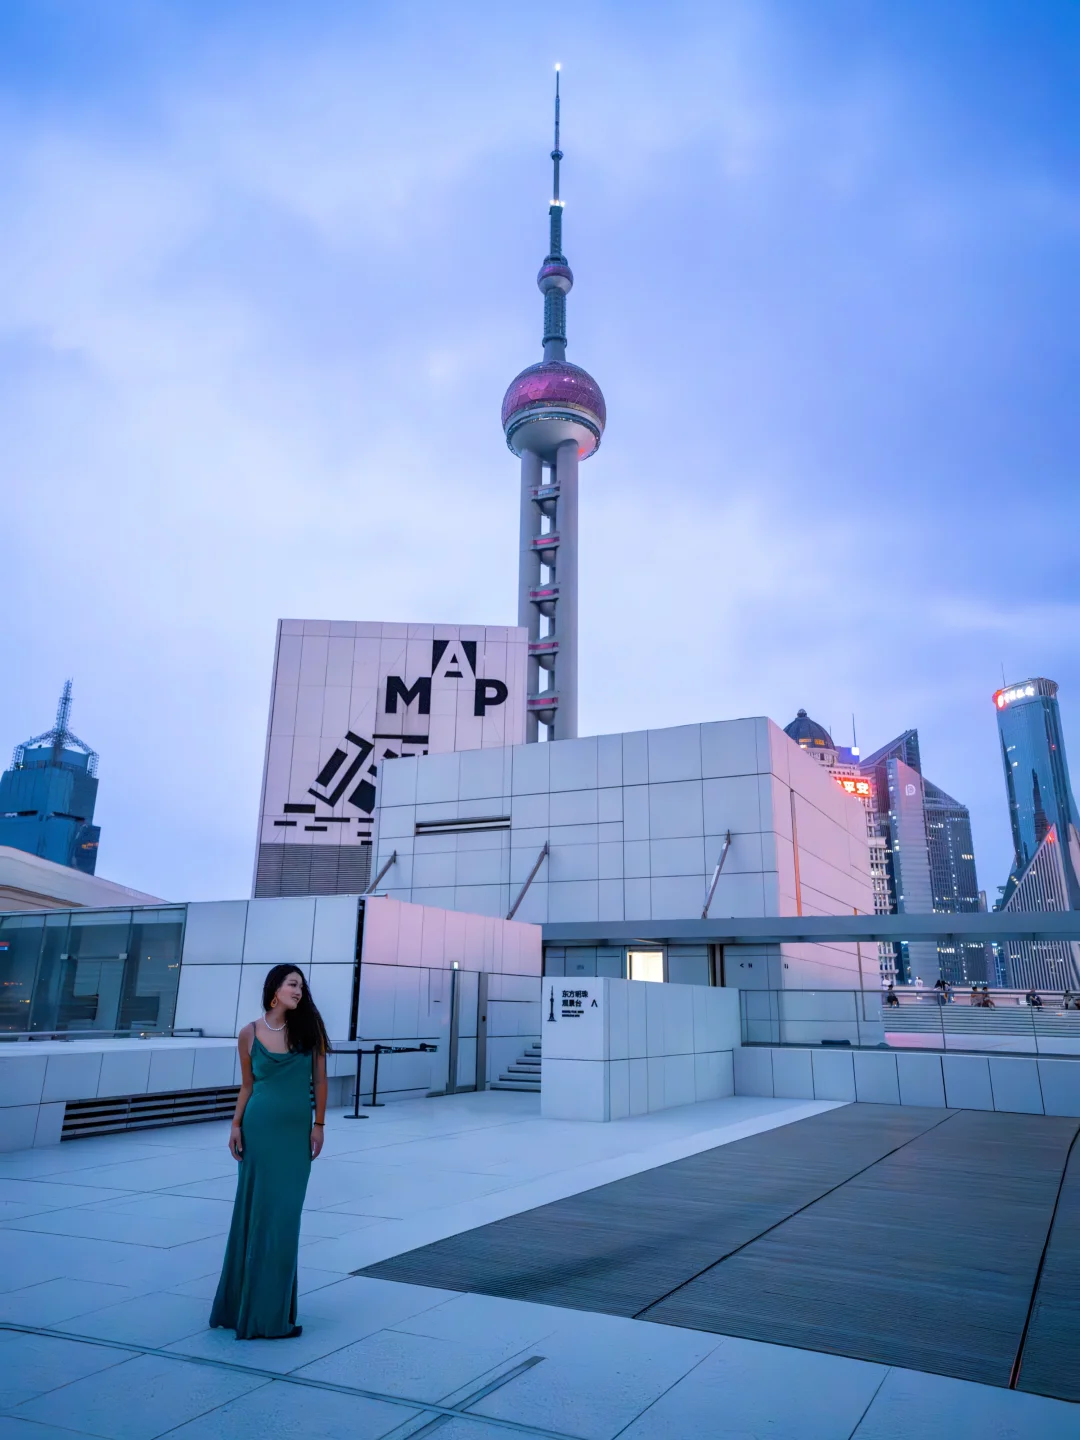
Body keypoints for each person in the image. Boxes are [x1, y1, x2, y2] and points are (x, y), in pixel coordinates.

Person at [210, 964, 330, 1339]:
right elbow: (247, 1086)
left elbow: (320, 1081)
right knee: (254, 1214)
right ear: (274, 989)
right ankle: (247, 1311)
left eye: (301, 986)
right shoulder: (249, 1033)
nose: (299, 990)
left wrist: (319, 1124)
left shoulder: (309, 1030)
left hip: (294, 1136)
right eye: (292, 984)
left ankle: (271, 1313)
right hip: (258, 1130)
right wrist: (235, 1125)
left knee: (284, 1219)